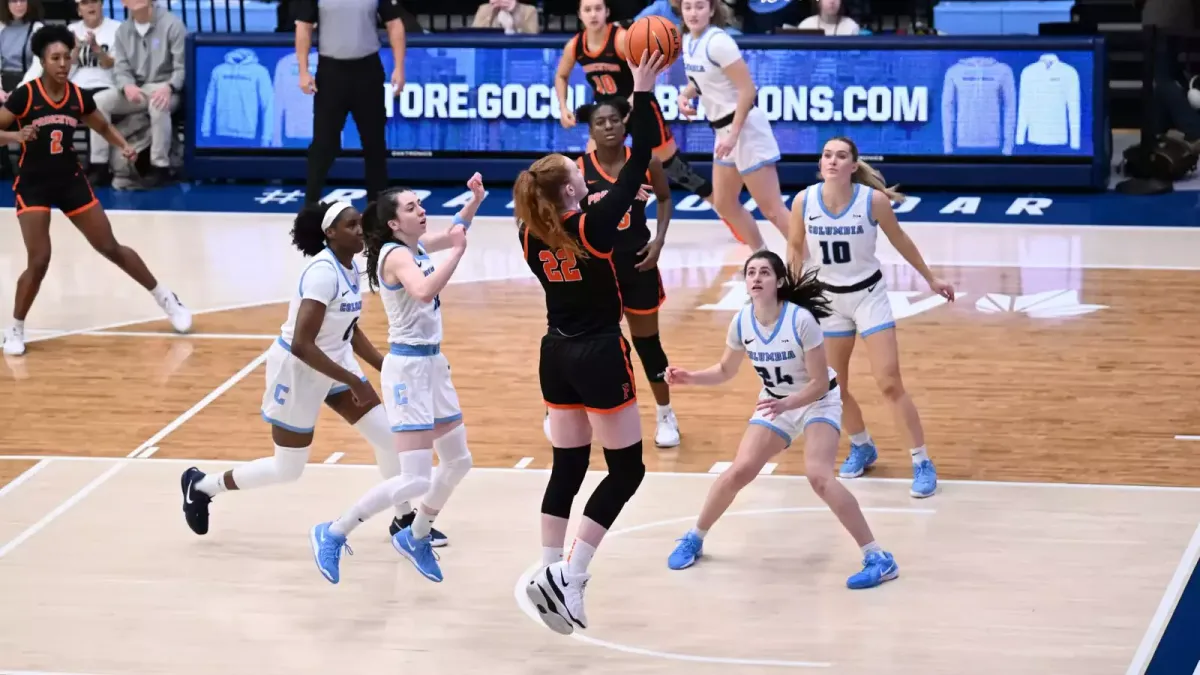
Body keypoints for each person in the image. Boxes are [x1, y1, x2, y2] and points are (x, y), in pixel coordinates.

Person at [518, 50, 667, 636]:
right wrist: (644, 93)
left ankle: (548, 570)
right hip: (602, 354)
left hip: (555, 355)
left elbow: (602, 205)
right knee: (626, 472)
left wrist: (619, 203)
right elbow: (643, 158)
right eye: (574, 170)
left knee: (568, 465)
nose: (584, 169)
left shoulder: (532, 235)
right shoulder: (592, 226)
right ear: (572, 187)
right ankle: (574, 577)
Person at [662, 250, 899, 589]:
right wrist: (690, 377)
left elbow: (818, 384)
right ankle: (694, 538)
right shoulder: (742, 321)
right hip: (777, 403)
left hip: (817, 402)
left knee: (819, 477)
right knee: (740, 470)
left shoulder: (801, 320)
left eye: (764, 272)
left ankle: (879, 557)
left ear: (779, 282)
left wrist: (788, 403)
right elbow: (725, 370)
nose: (756, 278)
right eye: (750, 272)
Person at [178, 201, 398, 549]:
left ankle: (403, 520)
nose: (361, 230)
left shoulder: (350, 268)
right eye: (352, 225)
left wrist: (383, 365)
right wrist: (355, 380)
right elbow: (302, 344)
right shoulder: (322, 273)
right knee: (288, 469)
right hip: (299, 370)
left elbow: (349, 329)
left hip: (335, 362)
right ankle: (203, 486)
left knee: (390, 439)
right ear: (330, 233)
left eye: (360, 224)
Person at [310, 176, 483, 585]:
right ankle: (333, 532)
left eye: (420, 204)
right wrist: (457, 254)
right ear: (393, 223)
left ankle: (416, 536)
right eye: (411, 207)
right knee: (415, 478)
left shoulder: (414, 246)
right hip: (407, 372)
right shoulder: (394, 257)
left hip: (433, 366)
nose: (421, 210)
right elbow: (423, 290)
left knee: (459, 460)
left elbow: (454, 232)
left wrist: (474, 202)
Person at [0, 24, 190, 357]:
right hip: (33, 185)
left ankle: (166, 297)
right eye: (55, 58)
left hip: (71, 180)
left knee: (109, 246)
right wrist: (16, 137)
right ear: (42, 61)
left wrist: (125, 146)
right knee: (40, 259)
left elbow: (101, 125)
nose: (63, 63)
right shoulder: (25, 96)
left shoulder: (77, 96)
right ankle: (14, 328)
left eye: (67, 57)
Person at [787, 136, 954, 498]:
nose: (832, 161)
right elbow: (795, 247)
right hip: (827, 301)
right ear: (821, 163)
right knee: (834, 388)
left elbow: (901, 240)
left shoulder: (872, 201)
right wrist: (793, 295)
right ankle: (862, 445)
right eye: (827, 155)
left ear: (852, 165)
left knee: (889, 381)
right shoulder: (804, 201)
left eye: (841, 156)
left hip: (868, 296)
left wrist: (931, 278)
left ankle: (921, 460)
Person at [553, 0, 762, 247]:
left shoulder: (621, 40)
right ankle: (588, 227)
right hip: (607, 115)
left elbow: (647, 74)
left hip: (639, 106)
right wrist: (563, 106)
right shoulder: (575, 45)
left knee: (677, 170)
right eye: (587, 10)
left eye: (598, 8)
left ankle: (727, 215)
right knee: (592, 171)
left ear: (607, 12)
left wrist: (630, 105)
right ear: (579, 14)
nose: (593, 14)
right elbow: (561, 75)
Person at [576, 95, 680, 446]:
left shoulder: (646, 161)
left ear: (625, 123)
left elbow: (664, 198)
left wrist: (659, 241)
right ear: (590, 130)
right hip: (599, 270)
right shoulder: (578, 168)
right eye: (600, 122)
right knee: (596, 345)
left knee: (648, 345)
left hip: (638, 264)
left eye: (614, 120)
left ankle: (666, 415)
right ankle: (583, 412)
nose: (608, 127)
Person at [678, 0, 791, 245]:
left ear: (711, 10)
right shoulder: (688, 41)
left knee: (773, 209)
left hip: (746, 129)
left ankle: (814, 263)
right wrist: (684, 95)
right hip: (724, 132)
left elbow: (747, 91)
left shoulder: (719, 42)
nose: (693, 12)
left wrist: (733, 136)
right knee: (725, 204)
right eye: (688, 7)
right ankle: (761, 255)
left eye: (699, 6)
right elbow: (701, 81)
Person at [292, 0, 407, 205]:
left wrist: (399, 66)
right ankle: (310, 206)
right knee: (323, 144)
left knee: (374, 144)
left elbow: (395, 23)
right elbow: (304, 26)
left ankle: (376, 210)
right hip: (331, 73)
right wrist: (303, 70)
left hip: (367, 71)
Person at [92, 0, 188, 187]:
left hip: (166, 89)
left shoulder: (173, 24)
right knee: (97, 101)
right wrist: (127, 86)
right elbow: (121, 69)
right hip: (138, 90)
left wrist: (169, 87)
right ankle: (99, 165)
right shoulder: (123, 30)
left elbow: (182, 67)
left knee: (158, 103)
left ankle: (160, 166)